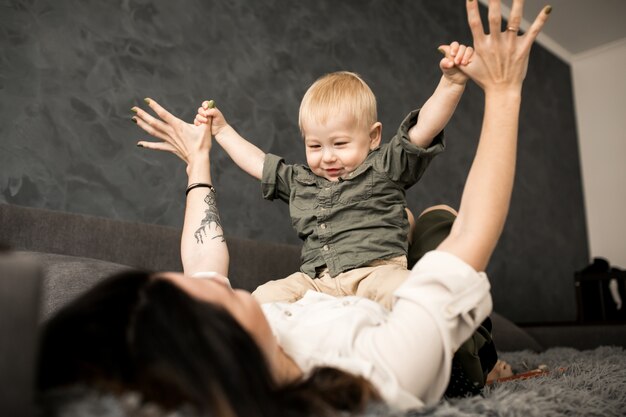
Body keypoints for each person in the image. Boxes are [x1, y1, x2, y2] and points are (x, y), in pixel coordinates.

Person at [37, 1, 551, 416]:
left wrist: (200, 159)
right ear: (212, 349)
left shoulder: (244, 323)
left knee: (411, 245)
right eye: (190, 298)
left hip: (372, 264)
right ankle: (471, 348)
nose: (195, 283)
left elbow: (204, 264)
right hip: (330, 279)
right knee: (440, 243)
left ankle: (409, 232)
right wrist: (503, 92)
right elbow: (470, 243)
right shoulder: (376, 371)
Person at [192, 48, 474, 309]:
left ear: (373, 136)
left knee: (409, 293)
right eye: (315, 146)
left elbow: (423, 129)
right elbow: (258, 163)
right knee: (263, 297)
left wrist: (451, 83)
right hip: (317, 282)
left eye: (339, 144)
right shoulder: (301, 181)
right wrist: (223, 131)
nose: (326, 157)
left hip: (376, 272)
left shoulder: (385, 166)